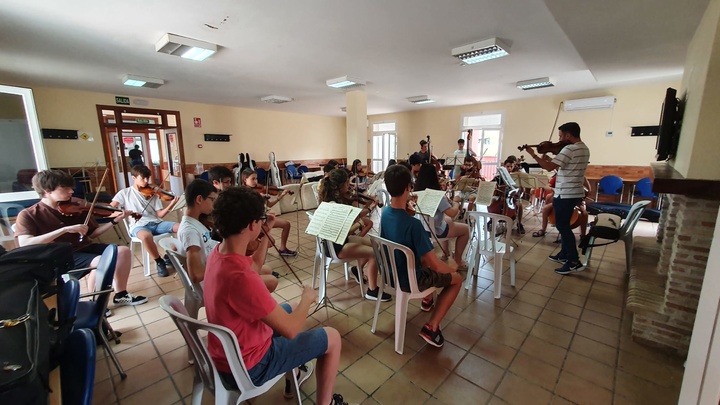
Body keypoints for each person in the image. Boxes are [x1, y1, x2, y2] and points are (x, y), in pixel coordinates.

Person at [203, 187, 347, 405]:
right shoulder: (243, 279)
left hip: (227, 354)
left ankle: (294, 375)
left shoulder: (219, 254)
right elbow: (290, 330)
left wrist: (264, 233)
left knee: (287, 309)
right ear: (252, 225)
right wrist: (307, 299)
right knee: (332, 337)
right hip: (251, 366)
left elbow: (254, 266)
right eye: (260, 221)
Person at [14, 169, 148, 306]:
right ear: (47, 191)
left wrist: (114, 220)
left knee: (123, 251)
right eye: (65, 188)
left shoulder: (76, 206)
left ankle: (121, 294)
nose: (71, 191)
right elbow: (25, 243)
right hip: (59, 256)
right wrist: (64, 230)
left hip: (85, 247)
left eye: (70, 188)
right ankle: (95, 301)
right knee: (102, 261)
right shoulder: (29, 214)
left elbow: (93, 234)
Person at [381, 164, 463, 347]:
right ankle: (431, 328)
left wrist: (408, 210)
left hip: (390, 276)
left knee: (424, 261)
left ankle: (428, 300)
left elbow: (400, 225)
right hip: (410, 280)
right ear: (409, 187)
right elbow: (433, 263)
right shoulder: (414, 225)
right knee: (456, 279)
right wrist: (452, 269)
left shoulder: (385, 213)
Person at [178, 179, 278, 297]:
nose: (214, 204)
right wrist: (221, 267)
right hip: (215, 280)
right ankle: (251, 302)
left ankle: (252, 300)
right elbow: (196, 275)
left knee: (266, 270)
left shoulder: (198, 222)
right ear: (199, 199)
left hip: (219, 268)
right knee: (271, 281)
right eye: (212, 199)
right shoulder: (190, 231)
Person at [525, 122, 590, 275]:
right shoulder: (583, 148)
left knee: (562, 226)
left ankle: (574, 260)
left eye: (560, 136)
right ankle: (564, 254)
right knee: (564, 224)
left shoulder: (569, 148)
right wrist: (550, 159)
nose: (559, 140)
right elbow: (563, 167)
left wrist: (533, 155)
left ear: (568, 135)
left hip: (566, 193)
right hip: (574, 192)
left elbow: (548, 168)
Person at [320, 169, 390, 301]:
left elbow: (355, 215)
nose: (349, 186)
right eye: (347, 183)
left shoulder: (332, 201)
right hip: (336, 247)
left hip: (341, 241)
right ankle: (372, 290)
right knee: (375, 253)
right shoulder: (334, 206)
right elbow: (348, 227)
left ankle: (357, 270)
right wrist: (361, 221)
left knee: (376, 245)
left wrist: (369, 209)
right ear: (340, 186)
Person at [111, 165, 180, 277]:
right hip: (138, 226)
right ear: (134, 178)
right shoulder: (124, 193)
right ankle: (159, 261)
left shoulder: (153, 193)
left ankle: (170, 255)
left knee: (182, 227)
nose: (146, 181)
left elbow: (160, 214)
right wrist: (120, 213)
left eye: (147, 178)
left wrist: (171, 205)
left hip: (157, 223)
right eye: (143, 178)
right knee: (146, 236)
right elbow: (111, 209)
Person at [414, 164, 470, 271]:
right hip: (436, 231)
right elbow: (453, 213)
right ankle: (458, 260)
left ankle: (446, 253)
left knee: (447, 220)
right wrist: (456, 202)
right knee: (466, 229)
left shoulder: (416, 193)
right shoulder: (436, 195)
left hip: (423, 229)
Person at [241, 168, 296, 256]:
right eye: (253, 179)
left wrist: (281, 196)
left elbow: (269, 205)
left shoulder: (259, 190)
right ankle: (259, 258)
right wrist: (258, 199)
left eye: (256, 178)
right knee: (270, 242)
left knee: (286, 224)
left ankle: (283, 248)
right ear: (245, 179)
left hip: (264, 217)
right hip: (255, 221)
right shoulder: (243, 193)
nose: (256, 181)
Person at [492, 159, 526, 234]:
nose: (509, 168)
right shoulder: (499, 176)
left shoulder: (516, 177)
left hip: (512, 197)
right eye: (508, 166)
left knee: (519, 205)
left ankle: (519, 223)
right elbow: (492, 184)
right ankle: (492, 219)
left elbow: (521, 190)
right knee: (492, 201)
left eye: (511, 166)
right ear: (504, 166)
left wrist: (520, 189)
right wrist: (494, 186)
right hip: (500, 196)